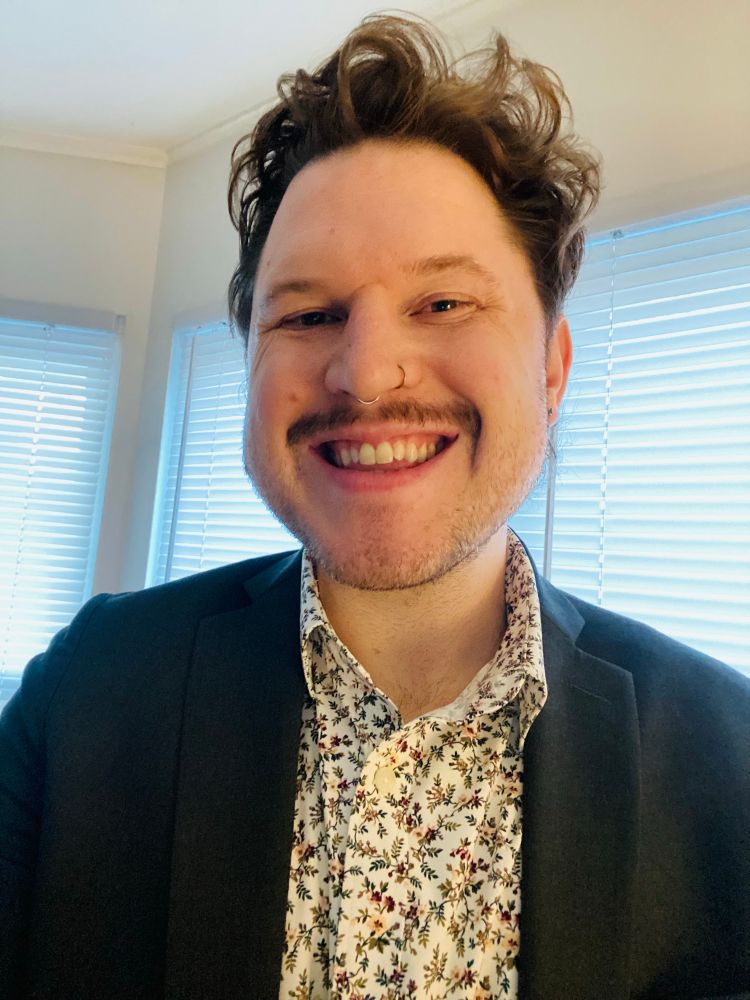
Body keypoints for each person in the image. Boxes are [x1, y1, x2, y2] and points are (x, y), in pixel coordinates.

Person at [1, 13, 747, 1000]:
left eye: (443, 303)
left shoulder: (730, 760)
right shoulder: (86, 691)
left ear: (553, 368)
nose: (364, 374)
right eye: (308, 315)